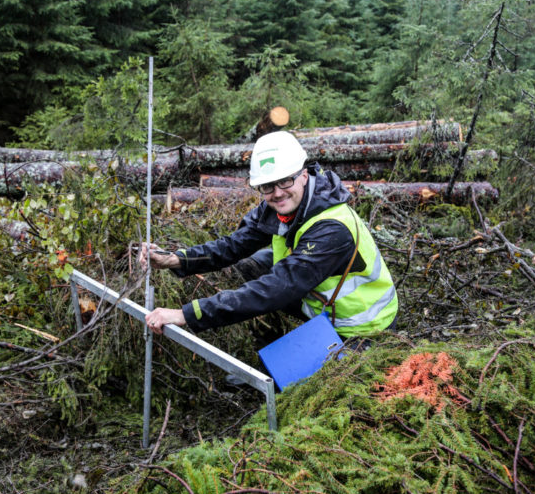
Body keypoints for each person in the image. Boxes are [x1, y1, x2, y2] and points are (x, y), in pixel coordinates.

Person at [138, 130, 398, 343]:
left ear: (304, 175)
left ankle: (284, 363)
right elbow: (233, 245)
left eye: (285, 181)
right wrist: (176, 259)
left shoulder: (332, 227)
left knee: (290, 388)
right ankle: (272, 340)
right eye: (267, 186)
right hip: (321, 307)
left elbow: (275, 288)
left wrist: (187, 314)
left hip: (363, 328)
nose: (277, 193)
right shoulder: (279, 206)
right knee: (256, 262)